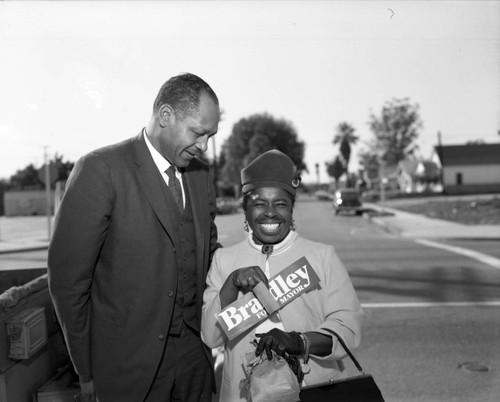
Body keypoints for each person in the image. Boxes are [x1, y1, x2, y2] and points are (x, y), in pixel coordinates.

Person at [48, 73, 221, 402]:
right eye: (199, 133)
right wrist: (87, 372)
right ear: (166, 116)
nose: (204, 146)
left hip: (194, 360)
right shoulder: (100, 169)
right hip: (127, 367)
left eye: (210, 135)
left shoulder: (201, 175)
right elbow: (68, 283)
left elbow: (209, 252)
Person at [201, 150, 363, 401]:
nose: (270, 213)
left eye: (280, 204)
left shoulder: (322, 256)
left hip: (311, 391)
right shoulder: (225, 261)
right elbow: (211, 338)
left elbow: (348, 330)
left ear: (291, 209)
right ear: (245, 210)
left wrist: (299, 341)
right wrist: (231, 285)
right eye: (258, 204)